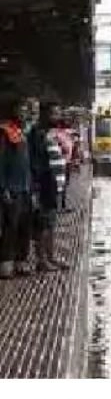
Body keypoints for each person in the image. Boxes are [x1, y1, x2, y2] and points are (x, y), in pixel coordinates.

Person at [0, 96, 37, 278]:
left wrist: (32, 188)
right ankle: (6, 263)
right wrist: (3, 188)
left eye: (25, 110)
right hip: (12, 188)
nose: (23, 113)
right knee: (10, 227)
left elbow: (27, 163)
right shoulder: (5, 132)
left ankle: (21, 261)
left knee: (25, 225)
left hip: (25, 187)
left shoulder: (22, 133)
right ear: (12, 111)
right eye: (20, 110)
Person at [29, 101, 69, 271]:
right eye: (54, 113)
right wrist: (37, 187)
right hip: (45, 185)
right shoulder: (39, 134)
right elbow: (37, 162)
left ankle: (51, 257)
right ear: (46, 115)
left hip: (55, 186)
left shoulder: (50, 133)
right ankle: (42, 260)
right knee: (43, 224)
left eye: (58, 113)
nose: (57, 117)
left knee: (51, 223)